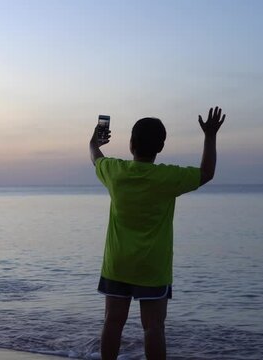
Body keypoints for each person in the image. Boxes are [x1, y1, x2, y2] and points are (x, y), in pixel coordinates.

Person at [89, 107, 225, 360]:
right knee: (153, 327)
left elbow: (96, 156)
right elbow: (206, 173)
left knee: (112, 322)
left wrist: (93, 141)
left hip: (117, 264)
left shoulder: (116, 172)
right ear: (160, 147)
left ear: (131, 144)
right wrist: (209, 135)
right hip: (153, 268)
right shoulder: (168, 177)